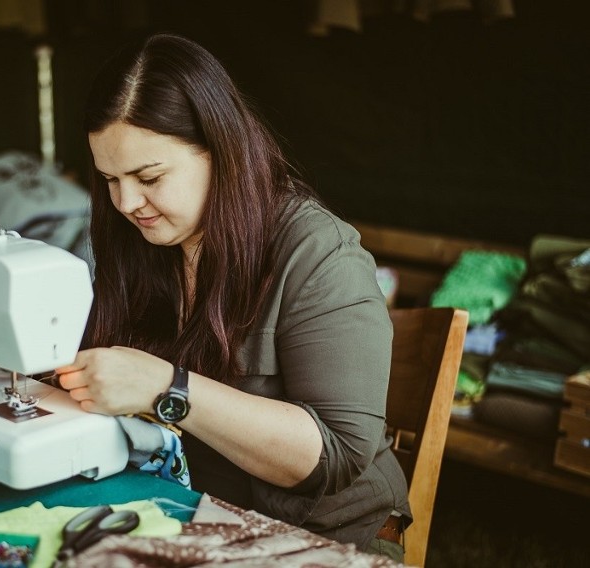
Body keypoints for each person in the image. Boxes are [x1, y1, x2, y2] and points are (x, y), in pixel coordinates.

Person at [55, 33, 410, 561]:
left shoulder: (316, 253)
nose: (127, 202)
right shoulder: (140, 242)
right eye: (110, 178)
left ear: (219, 150)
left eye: (148, 177)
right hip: (181, 510)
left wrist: (167, 387)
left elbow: (334, 454)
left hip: (318, 538)